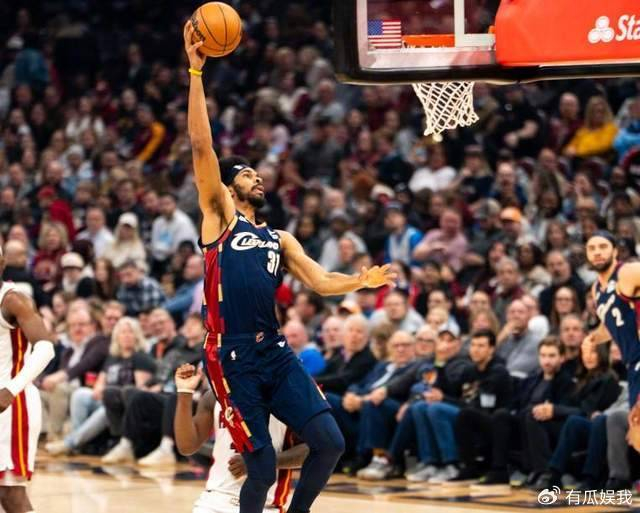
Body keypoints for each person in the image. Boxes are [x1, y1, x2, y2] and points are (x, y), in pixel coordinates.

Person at [184, 24, 395, 513]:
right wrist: (196, 73)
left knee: (330, 442)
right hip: (231, 354)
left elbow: (320, 281)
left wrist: (360, 281)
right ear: (229, 187)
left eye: (258, 174)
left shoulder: (280, 238)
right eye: (247, 174)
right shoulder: (219, 218)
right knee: (259, 468)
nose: (258, 178)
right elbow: (200, 148)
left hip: (274, 350)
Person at [173, 364, 310, 513]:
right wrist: (185, 392)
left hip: (266, 506)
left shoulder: (287, 396)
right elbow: (187, 446)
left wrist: (262, 462)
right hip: (214, 500)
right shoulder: (214, 395)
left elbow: (313, 449)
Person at [0, 248, 55, 513]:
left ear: (2, 263)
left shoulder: (13, 300)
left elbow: (46, 348)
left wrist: (11, 389)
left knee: (10, 493)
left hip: (13, 404)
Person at [584, 230, 640, 445]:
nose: (597, 252)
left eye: (603, 247)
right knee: (636, 436)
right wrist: (592, 340)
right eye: (592, 248)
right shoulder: (596, 289)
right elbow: (611, 323)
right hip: (633, 365)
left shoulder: (628, 272)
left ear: (615, 251)